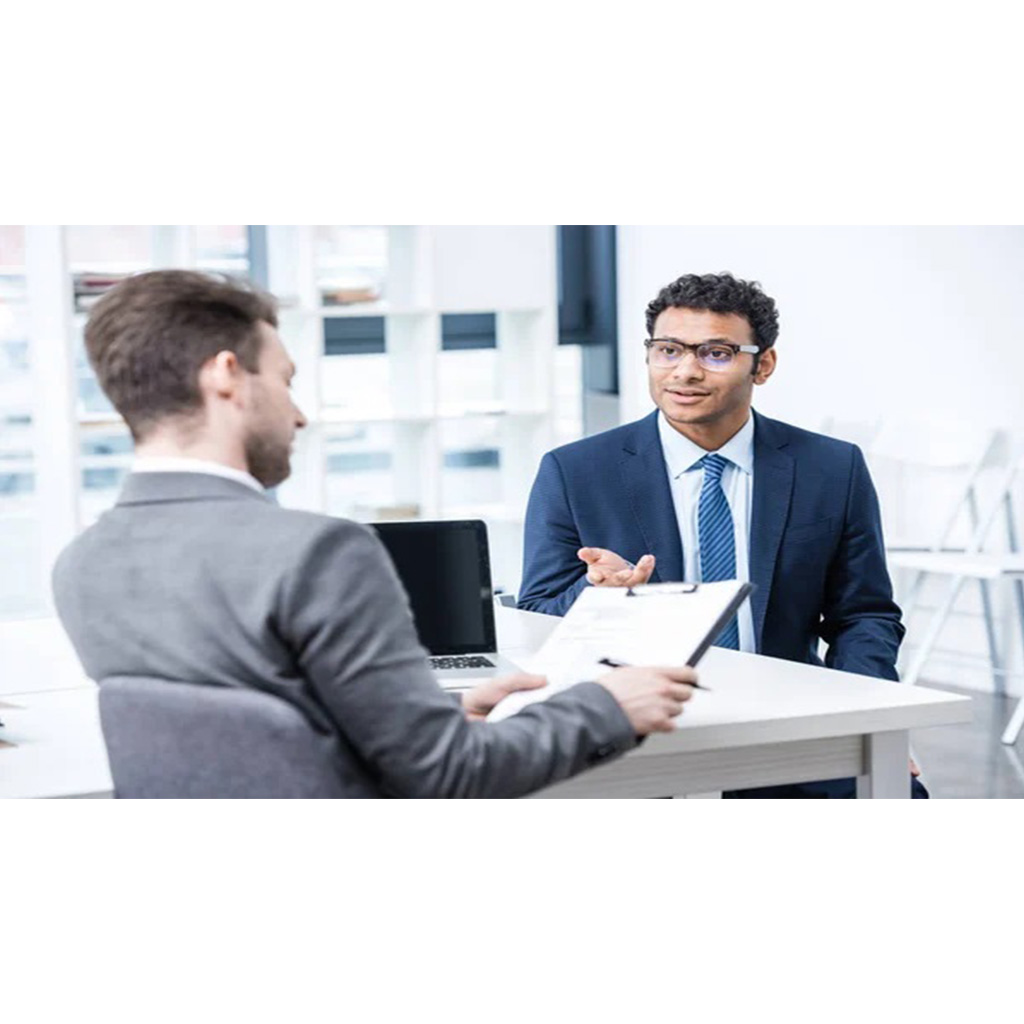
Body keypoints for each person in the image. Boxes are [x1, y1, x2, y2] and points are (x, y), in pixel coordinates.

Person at [52, 270, 698, 799]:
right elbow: (450, 775)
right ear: (225, 374)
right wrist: (605, 704)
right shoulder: (316, 553)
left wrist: (437, 718)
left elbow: (259, 750)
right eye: (285, 381)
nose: (299, 415)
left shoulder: (83, 564)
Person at [519, 271, 926, 798]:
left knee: (898, 801)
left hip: (788, 716)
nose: (685, 372)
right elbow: (534, 616)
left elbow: (864, 614)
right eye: (668, 350)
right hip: (638, 724)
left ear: (764, 365)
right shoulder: (575, 472)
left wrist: (869, 718)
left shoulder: (831, 467)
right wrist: (598, 596)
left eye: (715, 353)